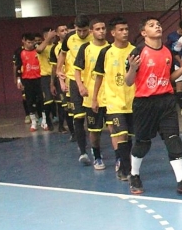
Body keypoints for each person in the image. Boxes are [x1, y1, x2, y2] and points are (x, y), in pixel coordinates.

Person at [125, 17, 182, 196]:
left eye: (158, 24)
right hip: (145, 103)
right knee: (142, 143)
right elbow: (128, 82)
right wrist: (132, 69)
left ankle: (181, 181)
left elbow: (170, 77)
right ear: (143, 33)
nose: (157, 26)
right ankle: (134, 175)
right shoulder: (138, 52)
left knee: (173, 139)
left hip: (166, 101)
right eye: (151, 25)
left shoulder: (167, 52)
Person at [93, 17, 136, 182]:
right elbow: (98, 77)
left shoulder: (135, 50)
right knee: (121, 134)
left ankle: (124, 166)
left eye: (126, 29)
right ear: (113, 33)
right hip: (113, 101)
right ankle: (125, 169)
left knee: (129, 137)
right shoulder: (105, 52)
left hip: (132, 100)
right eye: (120, 30)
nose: (124, 32)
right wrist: (95, 99)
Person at [73, 19, 110, 169]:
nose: (101, 31)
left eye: (103, 28)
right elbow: (77, 70)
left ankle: (120, 159)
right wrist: (80, 85)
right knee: (95, 131)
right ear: (91, 32)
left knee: (116, 130)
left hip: (110, 96)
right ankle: (97, 156)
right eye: (98, 29)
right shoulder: (85, 48)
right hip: (91, 97)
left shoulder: (111, 48)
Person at [57, 15, 92, 163]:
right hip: (73, 80)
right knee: (78, 117)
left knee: (92, 117)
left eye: (84, 31)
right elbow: (63, 54)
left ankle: (95, 148)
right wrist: (59, 71)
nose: (82, 34)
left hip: (90, 80)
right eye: (79, 30)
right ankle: (83, 152)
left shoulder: (94, 38)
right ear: (75, 28)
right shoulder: (70, 37)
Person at [14, 33, 43, 132]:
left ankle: (43, 121)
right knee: (29, 100)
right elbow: (18, 67)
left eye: (32, 42)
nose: (31, 44)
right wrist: (18, 80)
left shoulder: (38, 50)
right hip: (27, 79)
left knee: (41, 99)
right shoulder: (20, 52)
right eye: (29, 42)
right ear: (24, 41)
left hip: (38, 78)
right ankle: (33, 122)